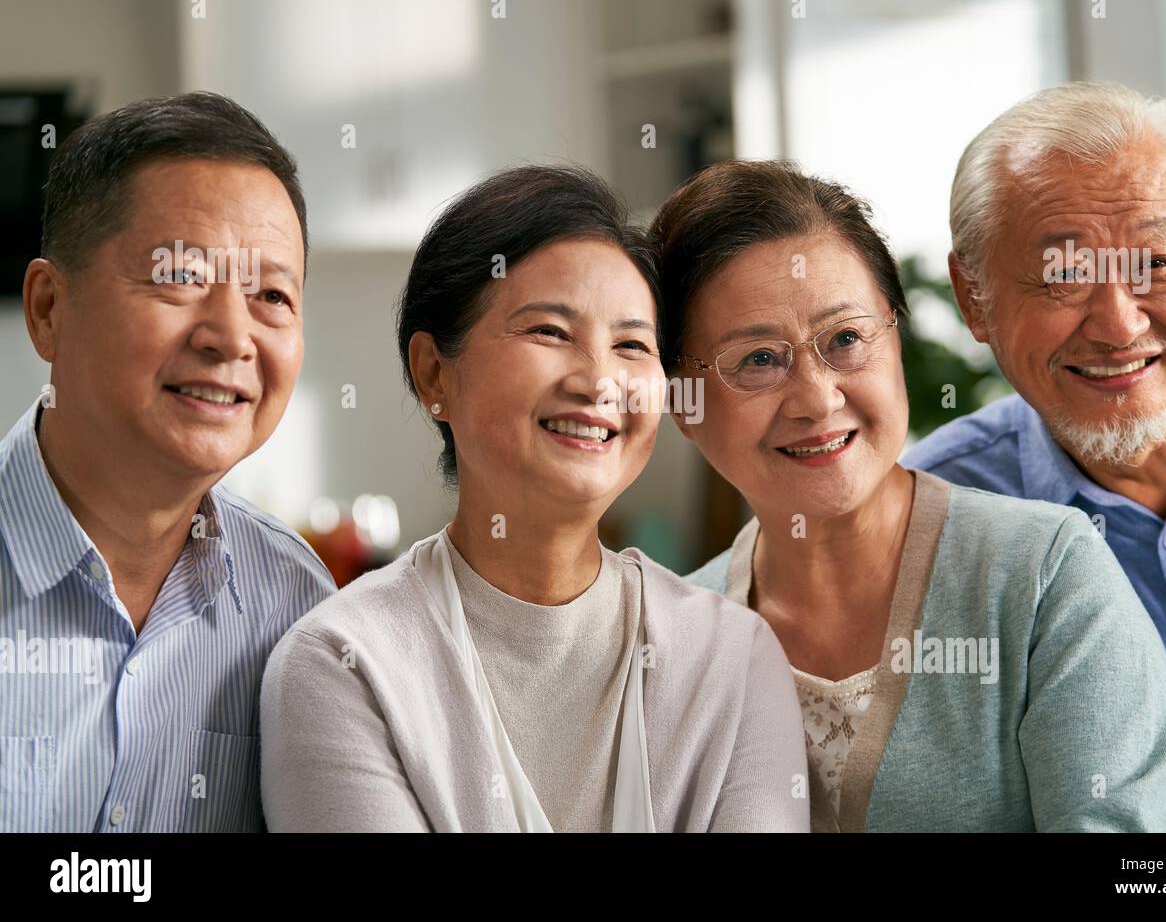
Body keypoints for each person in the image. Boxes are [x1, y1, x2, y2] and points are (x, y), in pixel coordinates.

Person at [259, 166, 808, 832]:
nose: (600, 380)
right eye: (550, 331)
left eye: (632, 345)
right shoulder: (345, 662)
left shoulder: (731, 657)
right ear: (434, 371)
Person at [653, 159, 1166, 832]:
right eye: (758, 359)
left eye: (845, 339)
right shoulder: (671, 641)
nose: (817, 398)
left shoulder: (1045, 577)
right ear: (683, 403)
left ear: (896, 338)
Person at [902, 81, 1166, 832]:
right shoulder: (934, 520)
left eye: (1155, 263)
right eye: (1063, 276)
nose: (1119, 326)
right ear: (973, 296)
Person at [0, 92, 335, 832]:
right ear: (50, 308)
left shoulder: (297, 606)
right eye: (181, 276)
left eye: (271, 295)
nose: (231, 335)